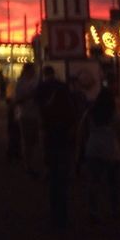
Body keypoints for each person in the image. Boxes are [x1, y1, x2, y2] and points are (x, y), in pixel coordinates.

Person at [38, 66, 78, 231]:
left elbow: (43, 118)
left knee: (54, 182)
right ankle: (62, 215)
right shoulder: (67, 105)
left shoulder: (46, 102)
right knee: (62, 181)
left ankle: (55, 215)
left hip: (52, 141)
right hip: (63, 143)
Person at [77, 87, 120, 221]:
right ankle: (114, 209)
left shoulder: (90, 113)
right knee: (113, 183)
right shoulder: (114, 114)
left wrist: (79, 148)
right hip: (111, 149)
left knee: (93, 182)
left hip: (93, 148)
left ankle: (93, 210)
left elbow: (81, 130)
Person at [15, 62, 41, 175]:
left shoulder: (36, 81)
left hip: (35, 114)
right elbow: (18, 99)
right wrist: (30, 95)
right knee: (27, 141)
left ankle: (33, 163)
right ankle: (28, 164)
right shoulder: (21, 83)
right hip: (25, 114)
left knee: (35, 141)